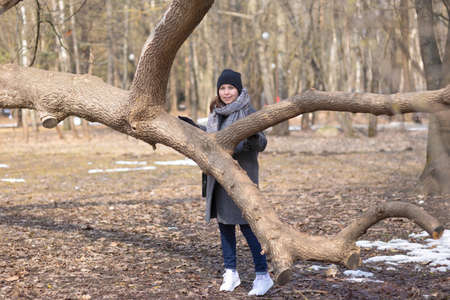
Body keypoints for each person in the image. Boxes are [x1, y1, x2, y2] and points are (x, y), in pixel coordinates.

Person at [205, 69, 273, 296]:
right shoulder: (216, 113)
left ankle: (263, 276)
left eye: (230, 88)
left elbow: (262, 142)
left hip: (241, 179)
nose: (226, 92)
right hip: (220, 179)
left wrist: (252, 136)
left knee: (248, 228)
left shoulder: (248, 112)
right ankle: (231, 273)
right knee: (224, 226)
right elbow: (212, 143)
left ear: (238, 90)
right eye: (222, 88)